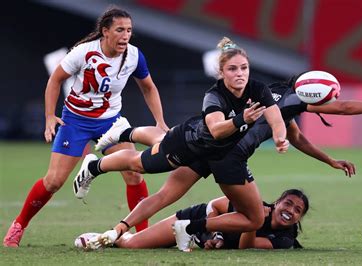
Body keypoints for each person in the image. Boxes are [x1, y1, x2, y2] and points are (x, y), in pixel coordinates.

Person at [76, 71, 362, 251]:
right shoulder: (293, 99)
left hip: (208, 145)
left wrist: (329, 160)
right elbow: (343, 108)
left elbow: (295, 137)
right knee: (251, 217)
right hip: (228, 156)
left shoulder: (281, 98)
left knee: (160, 178)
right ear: (312, 93)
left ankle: (114, 213)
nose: (331, 101)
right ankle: (190, 228)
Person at [72, 36, 289, 251]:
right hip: (190, 146)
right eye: (233, 69)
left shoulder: (258, 89)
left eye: (244, 68)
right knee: (143, 168)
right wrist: (243, 119)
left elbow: (276, 118)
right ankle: (94, 167)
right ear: (221, 73)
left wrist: (280, 137)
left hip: (222, 156)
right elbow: (216, 130)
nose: (240, 73)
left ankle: (164, 227)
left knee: (252, 217)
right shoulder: (214, 96)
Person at [3, 7, 169, 248]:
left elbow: (149, 87)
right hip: (76, 122)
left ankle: (144, 235)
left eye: (129, 30)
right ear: (105, 32)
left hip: (112, 123)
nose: (126, 35)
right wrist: (50, 116)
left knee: (134, 173)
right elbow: (55, 80)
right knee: (54, 182)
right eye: (120, 30)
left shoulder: (134, 55)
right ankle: (18, 225)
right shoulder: (83, 52)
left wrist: (160, 122)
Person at [76, 189, 309, 250]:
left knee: (152, 246)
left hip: (201, 240)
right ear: (277, 202)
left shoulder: (285, 239)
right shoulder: (254, 206)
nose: (290, 210)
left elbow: (246, 246)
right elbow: (214, 205)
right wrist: (214, 234)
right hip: (193, 221)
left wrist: (254, 222)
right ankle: (109, 235)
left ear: (299, 217)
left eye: (297, 209)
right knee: (133, 244)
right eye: (287, 203)